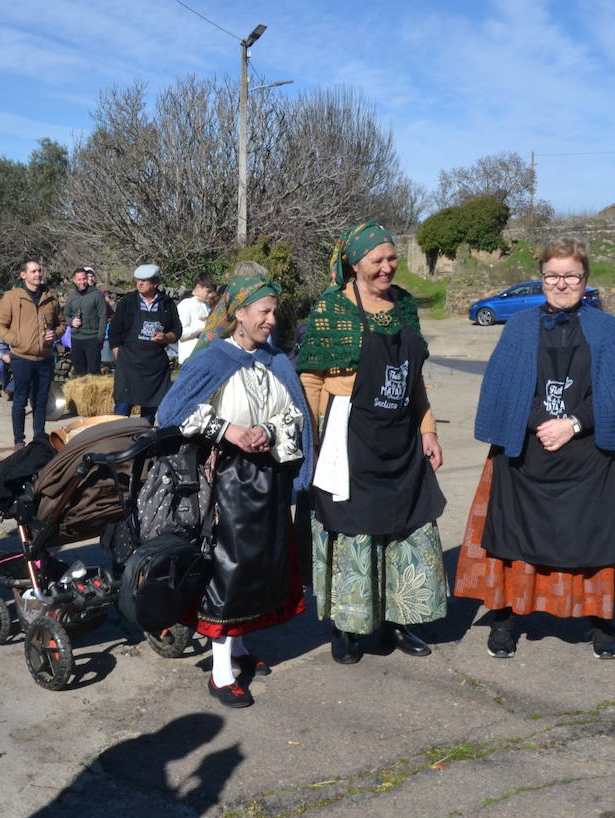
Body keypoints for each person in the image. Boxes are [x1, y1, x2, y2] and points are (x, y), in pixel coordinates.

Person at [454, 236, 615, 660]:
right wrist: (543, 422)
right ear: (541, 278)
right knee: (510, 540)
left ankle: (601, 623)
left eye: (570, 275)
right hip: (527, 452)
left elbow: (614, 394)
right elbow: (506, 389)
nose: (561, 283)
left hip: (588, 456)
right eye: (552, 275)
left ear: (585, 279)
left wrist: (572, 424)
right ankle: (504, 621)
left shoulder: (606, 329)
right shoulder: (520, 327)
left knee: (595, 541)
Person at [156, 274, 312, 708]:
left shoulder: (275, 358)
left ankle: (240, 648)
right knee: (230, 568)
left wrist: (265, 429)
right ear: (239, 314)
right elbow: (173, 413)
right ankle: (221, 672)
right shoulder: (212, 359)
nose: (271, 319)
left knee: (261, 565)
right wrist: (229, 431)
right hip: (228, 480)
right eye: (264, 311)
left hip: (271, 478)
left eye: (274, 311)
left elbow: (294, 415)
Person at [297, 221, 448, 664]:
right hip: (348, 435)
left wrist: (428, 430)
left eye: (392, 258)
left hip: (400, 434)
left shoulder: (403, 306)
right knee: (353, 530)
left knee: (405, 526)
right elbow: (311, 379)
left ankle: (399, 620)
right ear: (354, 262)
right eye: (377, 260)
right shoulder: (331, 309)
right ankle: (347, 629)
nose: (387, 268)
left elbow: (413, 378)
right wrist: (314, 440)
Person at [0, 259, 64, 446]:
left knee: (41, 401)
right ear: (23, 275)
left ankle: (39, 440)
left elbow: (61, 324)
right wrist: (17, 341)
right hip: (22, 358)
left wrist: (55, 334)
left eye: (40, 270)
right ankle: (19, 442)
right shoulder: (12, 297)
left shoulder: (51, 298)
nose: (38, 274)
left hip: (45, 359)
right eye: (33, 271)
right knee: (20, 400)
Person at [110, 263, 180, 422]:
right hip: (128, 364)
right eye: (138, 280)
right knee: (121, 413)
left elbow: (177, 330)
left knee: (148, 416)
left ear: (155, 283)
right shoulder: (128, 301)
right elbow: (114, 331)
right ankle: (117, 443)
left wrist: (166, 338)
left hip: (154, 367)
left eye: (144, 281)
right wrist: (118, 354)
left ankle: (144, 443)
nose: (139, 284)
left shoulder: (167, 304)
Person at [64, 266, 108, 377]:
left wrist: (100, 338)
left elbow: (103, 317)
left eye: (84, 279)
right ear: (74, 280)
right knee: (79, 372)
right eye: (79, 279)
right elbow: (64, 316)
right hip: (76, 340)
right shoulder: (72, 296)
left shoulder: (97, 295)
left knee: (94, 372)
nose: (82, 282)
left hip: (92, 339)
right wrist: (71, 322)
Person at [175, 276, 216, 361]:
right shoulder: (185, 304)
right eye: (208, 291)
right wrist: (203, 325)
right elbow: (181, 334)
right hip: (190, 358)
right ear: (198, 287)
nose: (211, 295)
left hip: (206, 357)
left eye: (212, 292)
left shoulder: (207, 305)